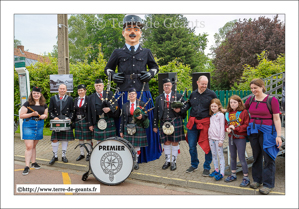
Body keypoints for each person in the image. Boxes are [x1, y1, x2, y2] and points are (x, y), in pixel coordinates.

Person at [104, 15, 161, 163]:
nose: (132, 32)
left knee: (144, 122)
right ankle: (123, 154)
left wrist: (151, 73)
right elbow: (107, 69)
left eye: (136, 29)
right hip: (123, 92)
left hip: (142, 92)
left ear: (140, 33)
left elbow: (155, 67)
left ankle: (144, 155)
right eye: (129, 29)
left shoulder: (146, 52)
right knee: (122, 122)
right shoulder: (117, 52)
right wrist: (113, 75)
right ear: (123, 33)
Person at [245, 78, 282, 195]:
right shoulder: (250, 100)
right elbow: (242, 110)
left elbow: (277, 118)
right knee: (256, 156)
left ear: (262, 87)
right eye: (251, 88)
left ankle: (268, 185)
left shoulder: (272, 100)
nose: (253, 90)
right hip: (254, 131)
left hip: (268, 132)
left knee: (268, 158)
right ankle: (257, 180)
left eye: (255, 88)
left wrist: (279, 136)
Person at [179, 75, 217, 176]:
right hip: (193, 123)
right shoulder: (193, 94)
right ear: (197, 83)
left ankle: (207, 167)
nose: (204, 86)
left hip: (206, 124)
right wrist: (180, 109)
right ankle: (194, 164)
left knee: (207, 146)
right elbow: (189, 105)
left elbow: (217, 106)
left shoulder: (211, 94)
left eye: (206, 84)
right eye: (202, 84)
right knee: (191, 146)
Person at [153, 78, 186, 171]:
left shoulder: (178, 96)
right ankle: (167, 161)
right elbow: (156, 112)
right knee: (166, 142)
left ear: (171, 86)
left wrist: (180, 110)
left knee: (175, 142)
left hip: (175, 121)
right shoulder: (159, 98)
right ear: (163, 87)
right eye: (165, 85)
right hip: (164, 122)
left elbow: (185, 106)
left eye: (168, 85)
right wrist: (155, 125)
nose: (166, 87)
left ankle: (173, 161)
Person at [19, 87, 48, 175]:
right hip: (28, 125)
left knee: (34, 145)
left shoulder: (44, 104)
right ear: (32, 94)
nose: (36, 95)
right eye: (34, 93)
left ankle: (34, 162)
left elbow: (46, 114)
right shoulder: (27, 103)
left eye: (38, 93)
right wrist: (31, 114)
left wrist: (44, 116)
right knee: (29, 146)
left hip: (39, 125)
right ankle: (27, 166)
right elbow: (21, 115)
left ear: (40, 94)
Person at [224, 95, 250, 187]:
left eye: (234, 102)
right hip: (231, 137)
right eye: (231, 102)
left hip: (240, 137)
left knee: (242, 157)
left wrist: (236, 128)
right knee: (232, 156)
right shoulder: (228, 113)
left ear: (239, 103)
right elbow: (226, 124)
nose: (232, 104)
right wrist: (227, 129)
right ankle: (233, 174)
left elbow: (246, 125)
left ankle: (246, 177)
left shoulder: (243, 112)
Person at [119, 88, 148, 170]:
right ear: (128, 96)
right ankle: (130, 161)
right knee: (128, 145)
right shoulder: (125, 105)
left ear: (136, 95)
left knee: (137, 146)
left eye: (133, 94)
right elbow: (122, 118)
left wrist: (142, 116)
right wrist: (121, 130)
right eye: (130, 94)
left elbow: (146, 115)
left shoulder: (141, 103)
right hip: (127, 127)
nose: (131, 95)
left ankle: (136, 161)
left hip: (138, 126)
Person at [88, 78, 120, 144]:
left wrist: (110, 108)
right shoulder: (91, 97)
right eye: (96, 86)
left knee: (110, 140)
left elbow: (116, 105)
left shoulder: (109, 93)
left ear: (103, 86)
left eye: (99, 85)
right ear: (94, 87)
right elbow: (89, 112)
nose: (98, 87)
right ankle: (100, 153)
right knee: (99, 141)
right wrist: (90, 124)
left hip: (109, 119)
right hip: (98, 120)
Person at [48, 84, 74, 165]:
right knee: (55, 139)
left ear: (66, 90)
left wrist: (70, 118)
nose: (62, 90)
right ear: (58, 89)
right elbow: (50, 111)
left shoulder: (70, 99)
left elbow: (72, 111)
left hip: (65, 122)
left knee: (65, 139)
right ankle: (55, 156)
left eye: (64, 89)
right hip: (57, 122)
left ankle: (63, 155)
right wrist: (54, 117)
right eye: (61, 89)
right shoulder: (53, 98)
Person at [73, 84, 93, 161]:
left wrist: (90, 123)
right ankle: (82, 154)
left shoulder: (89, 99)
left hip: (86, 120)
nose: (80, 92)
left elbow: (90, 111)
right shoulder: (75, 100)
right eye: (79, 90)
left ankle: (89, 153)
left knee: (88, 138)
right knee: (80, 138)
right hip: (78, 121)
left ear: (85, 91)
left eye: (81, 90)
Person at [208, 98, 225, 181]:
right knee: (214, 155)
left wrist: (221, 140)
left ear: (218, 106)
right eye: (212, 106)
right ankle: (216, 170)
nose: (213, 108)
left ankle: (222, 172)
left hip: (218, 139)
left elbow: (222, 128)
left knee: (220, 155)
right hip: (211, 138)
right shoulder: (211, 116)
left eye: (215, 106)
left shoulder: (221, 115)